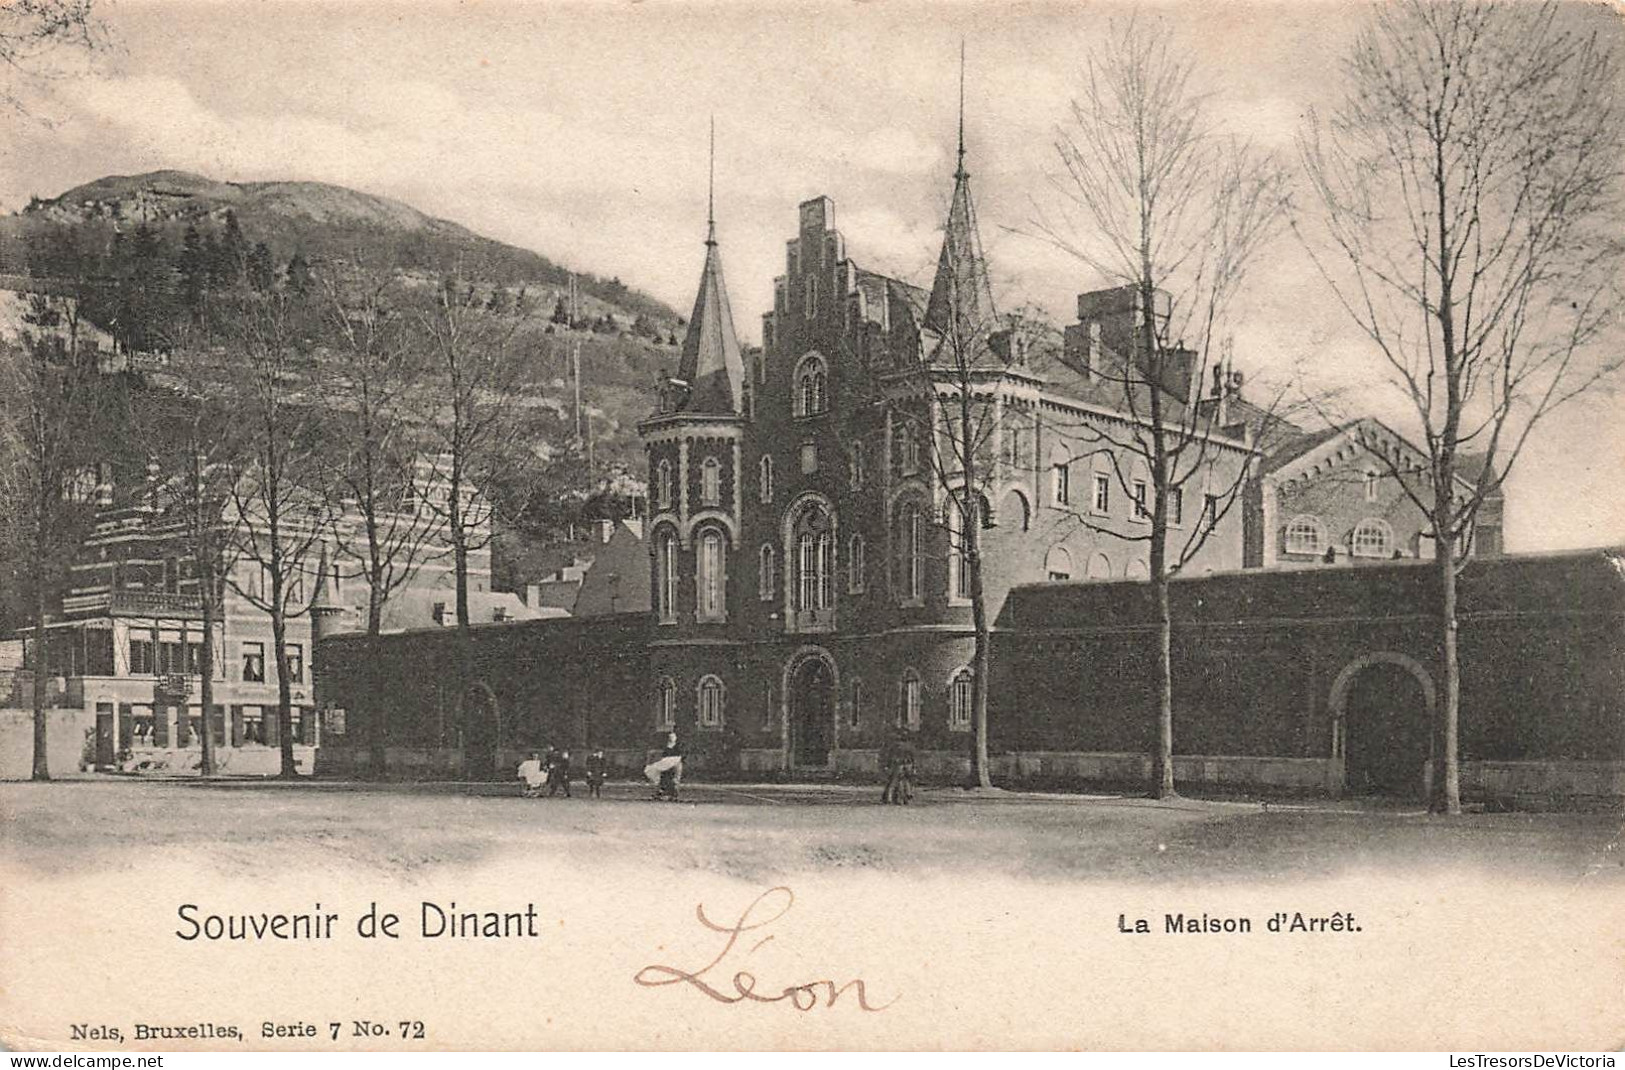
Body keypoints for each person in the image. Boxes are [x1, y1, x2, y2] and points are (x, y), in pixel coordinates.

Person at [644, 731, 683, 800]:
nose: (672, 738)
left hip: (672, 761)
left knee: (668, 776)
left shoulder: (676, 746)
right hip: (667, 762)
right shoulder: (665, 746)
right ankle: (664, 790)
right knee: (660, 774)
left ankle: (668, 791)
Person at [885, 729, 916, 806]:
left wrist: (888, 765)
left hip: (899, 764)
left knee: (895, 781)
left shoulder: (895, 746)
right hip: (908, 764)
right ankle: (908, 795)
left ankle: (891, 798)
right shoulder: (909, 746)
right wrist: (913, 766)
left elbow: (890, 757)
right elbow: (913, 757)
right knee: (907, 781)